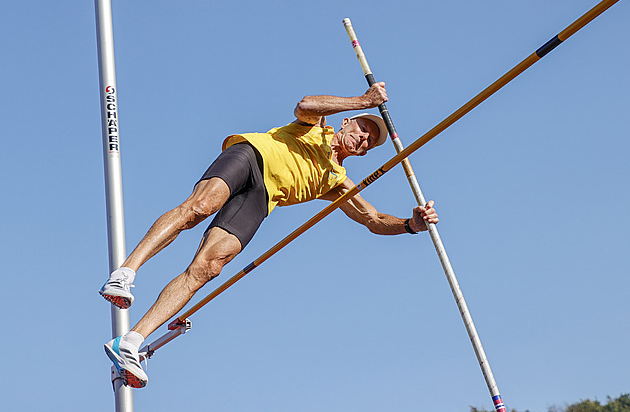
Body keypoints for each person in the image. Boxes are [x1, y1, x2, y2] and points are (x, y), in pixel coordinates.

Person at [100, 82, 439, 388]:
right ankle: (125, 273)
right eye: (363, 127)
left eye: (369, 140)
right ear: (346, 122)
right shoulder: (317, 127)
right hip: (252, 156)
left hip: (261, 198)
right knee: (200, 207)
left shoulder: (337, 181)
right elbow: (305, 104)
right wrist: (362, 101)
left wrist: (411, 225)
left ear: (364, 153)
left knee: (209, 267)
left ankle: (129, 342)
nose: (364, 136)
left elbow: (373, 218)